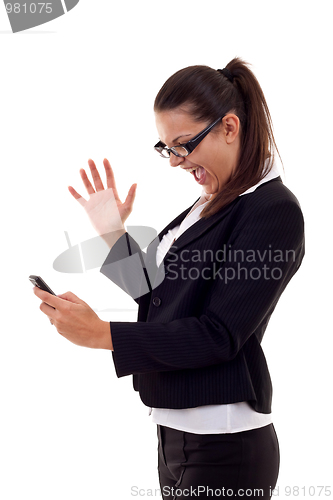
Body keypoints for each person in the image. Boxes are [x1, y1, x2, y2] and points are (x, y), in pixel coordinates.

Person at [33, 58, 305, 499]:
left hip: (226, 445)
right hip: (174, 434)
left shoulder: (271, 210)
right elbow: (161, 296)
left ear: (229, 127)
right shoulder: (209, 201)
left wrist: (105, 335)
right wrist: (112, 234)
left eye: (184, 145)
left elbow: (219, 334)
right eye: (167, 148)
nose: (177, 162)